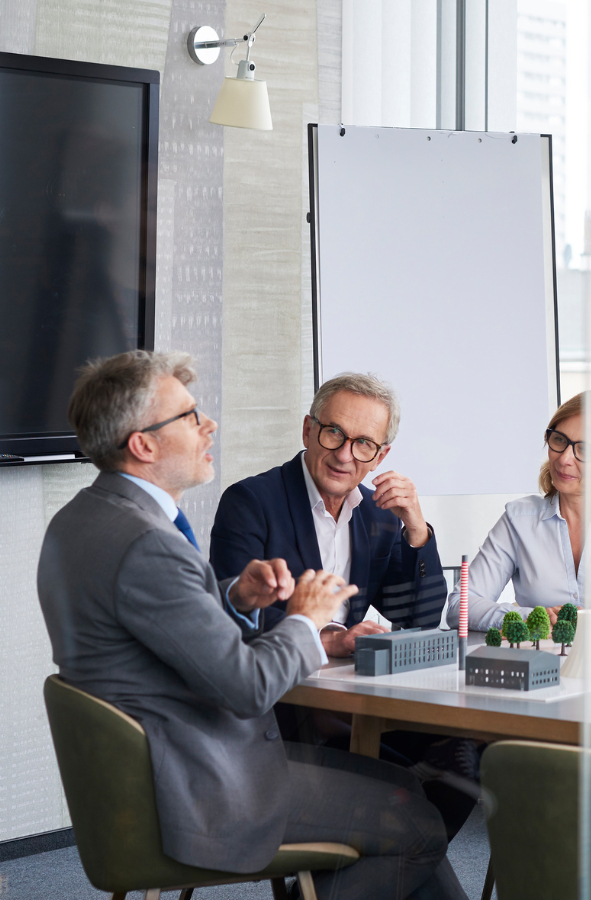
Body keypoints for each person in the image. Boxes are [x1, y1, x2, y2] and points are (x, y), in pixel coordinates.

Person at [37, 350, 464, 900]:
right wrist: (307, 621)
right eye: (190, 417)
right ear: (144, 445)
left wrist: (232, 595)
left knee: (406, 785)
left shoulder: (81, 520)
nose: (209, 424)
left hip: (156, 765)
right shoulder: (150, 544)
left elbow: (162, 622)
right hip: (201, 783)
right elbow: (248, 686)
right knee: (417, 823)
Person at [209, 372, 474, 839]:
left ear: (381, 456)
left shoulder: (378, 515)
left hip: (352, 703)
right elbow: (234, 616)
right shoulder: (251, 502)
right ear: (308, 430)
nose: (345, 454)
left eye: (364, 444)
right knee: (410, 809)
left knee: (464, 762)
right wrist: (328, 636)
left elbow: (416, 617)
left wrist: (417, 530)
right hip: (279, 707)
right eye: (334, 433)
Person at [446, 389, 591, 632]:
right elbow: (459, 606)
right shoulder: (519, 519)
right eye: (559, 440)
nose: (564, 459)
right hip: (541, 666)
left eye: (584, 449)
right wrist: (533, 617)